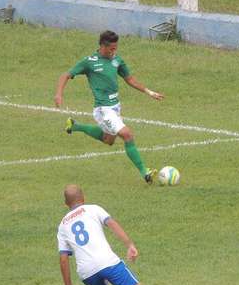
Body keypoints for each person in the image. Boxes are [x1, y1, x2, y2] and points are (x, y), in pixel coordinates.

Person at [54, 30, 164, 184]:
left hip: (115, 107)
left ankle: (75, 126)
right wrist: (59, 94)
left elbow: (130, 79)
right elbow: (65, 75)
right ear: (102, 46)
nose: (114, 51)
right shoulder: (89, 62)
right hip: (103, 110)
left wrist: (148, 91)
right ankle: (145, 172)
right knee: (127, 135)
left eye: (116, 48)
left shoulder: (117, 60)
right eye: (111, 49)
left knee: (108, 140)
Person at [57, 184, 148, 285]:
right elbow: (112, 224)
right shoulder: (93, 209)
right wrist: (129, 245)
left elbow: (63, 259)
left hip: (86, 273)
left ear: (66, 204)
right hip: (107, 262)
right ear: (83, 198)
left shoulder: (62, 225)